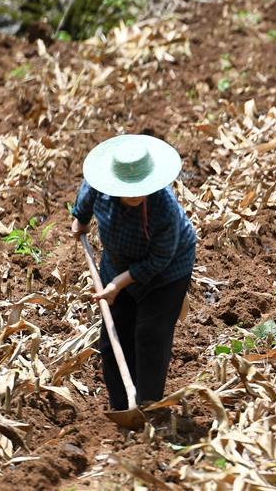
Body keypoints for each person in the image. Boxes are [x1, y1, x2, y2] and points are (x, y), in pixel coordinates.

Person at [70, 134, 196, 410]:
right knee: (114, 334)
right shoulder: (100, 187)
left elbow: (159, 258)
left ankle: (148, 405)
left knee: (150, 334)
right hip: (118, 262)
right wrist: (80, 218)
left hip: (167, 272)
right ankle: (121, 405)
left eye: (141, 186)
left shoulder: (164, 208)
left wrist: (118, 284)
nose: (135, 193)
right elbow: (87, 194)